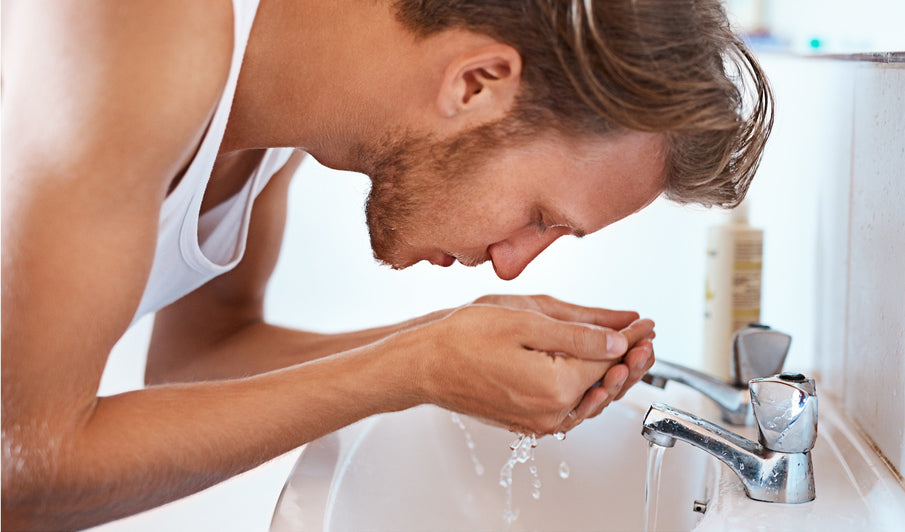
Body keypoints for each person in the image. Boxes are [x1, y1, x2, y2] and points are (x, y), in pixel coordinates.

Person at [1, 0, 772, 529]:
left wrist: (452, 340)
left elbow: (201, 359)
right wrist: (412, 368)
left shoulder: (276, 112)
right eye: (540, 217)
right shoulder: (141, 35)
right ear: (476, 83)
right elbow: (17, 472)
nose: (510, 266)